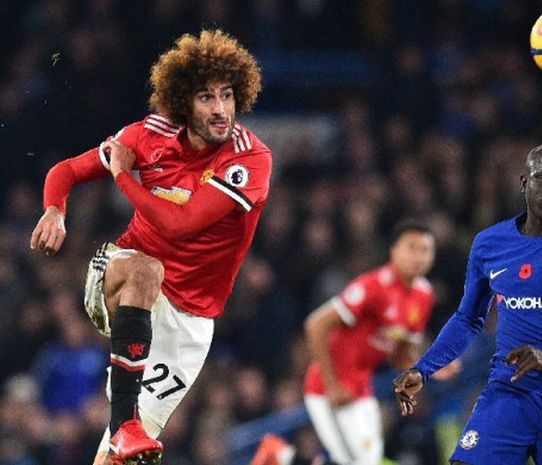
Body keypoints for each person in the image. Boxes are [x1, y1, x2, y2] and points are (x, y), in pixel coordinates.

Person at [29, 29, 270, 465]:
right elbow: (64, 172)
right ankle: (125, 423)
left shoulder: (249, 159)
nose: (221, 110)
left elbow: (182, 225)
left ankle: (121, 434)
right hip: (122, 275)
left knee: (119, 459)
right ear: (182, 102)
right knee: (147, 270)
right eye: (206, 98)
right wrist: (54, 211)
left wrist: (124, 177)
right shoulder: (148, 135)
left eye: (228, 96)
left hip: (191, 322)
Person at [393, 142, 542, 465]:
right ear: (524, 182)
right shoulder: (489, 244)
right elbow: (468, 319)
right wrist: (424, 368)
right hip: (511, 391)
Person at [252, 219, 459, 465]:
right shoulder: (372, 287)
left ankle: (281, 455)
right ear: (394, 251)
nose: (419, 257)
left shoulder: (423, 296)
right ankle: (281, 454)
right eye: (411, 248)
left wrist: (432, 367)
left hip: (361, 384)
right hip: (331, 383)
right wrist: (332, 386)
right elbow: (316, 325)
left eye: (425, 250)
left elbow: (401, 355)